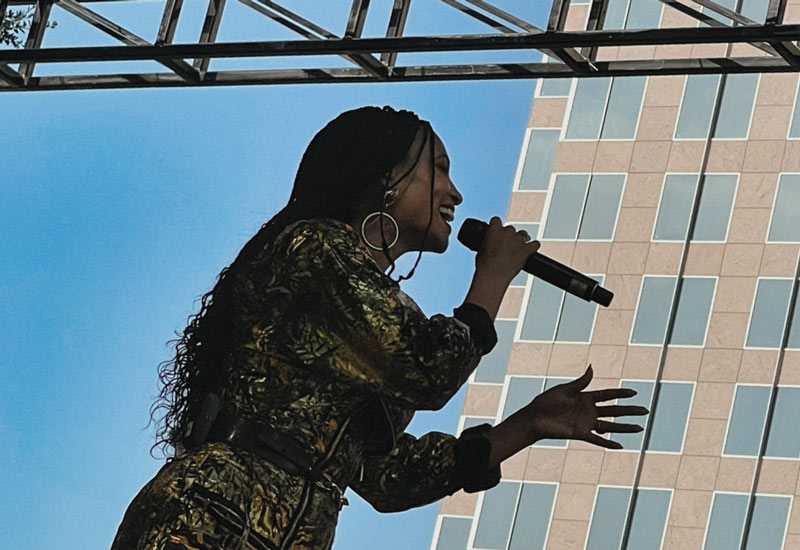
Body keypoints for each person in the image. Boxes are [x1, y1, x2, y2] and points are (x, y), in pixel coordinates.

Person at [111, 106, 647, 550]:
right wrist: (489, 283)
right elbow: (427, 370)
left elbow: (386, 478)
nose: (456, 193)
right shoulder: (315, 249)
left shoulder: (367, 313)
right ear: (387, 178)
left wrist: (526, 426)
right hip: (211, 517)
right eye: (439, 168)